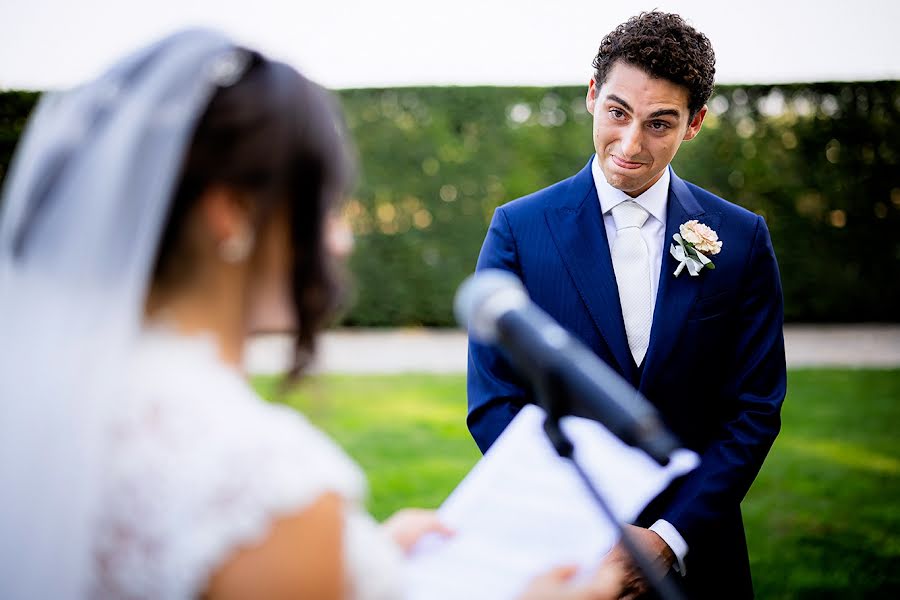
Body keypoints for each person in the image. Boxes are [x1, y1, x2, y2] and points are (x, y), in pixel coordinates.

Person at [0, 29, 618, 600]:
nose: (341, 241)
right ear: (232, 214)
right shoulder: (263, 483)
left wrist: (368, 558)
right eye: (324, 206)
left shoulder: (53, 403)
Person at [467, 11, 786, 599]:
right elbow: (494, 403)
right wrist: (588, 526)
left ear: (693, 125)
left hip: (699, 557)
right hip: (564, 557)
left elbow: (755, 408)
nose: (631, 144)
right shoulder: (518, 229)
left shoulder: (741, 240)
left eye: (660, 123)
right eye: (618, 112)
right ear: (592, 95)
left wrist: (670, 535)